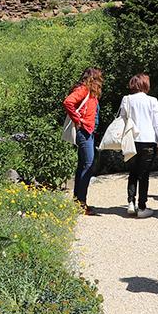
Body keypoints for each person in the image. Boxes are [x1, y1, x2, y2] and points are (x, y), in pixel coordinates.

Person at [119, 74, 158, 218]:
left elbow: (122, 119)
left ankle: (130, 202)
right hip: (148, 140)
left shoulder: (127, 99)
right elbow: (157, 123)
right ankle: (142, 207)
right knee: (144, 175)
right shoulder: (152, 101)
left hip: (131, 140)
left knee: (132, 172)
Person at [63, 66, 103, 215]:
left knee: (83, 165)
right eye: (99, 77)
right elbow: (68, 102)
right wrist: (77, 119)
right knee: (89, 165)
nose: (101, 80)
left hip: (89, 132)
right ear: (93, 78)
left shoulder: (91, 93)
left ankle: (78, 201)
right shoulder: (83, 90)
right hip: (85, 132)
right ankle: (81, 203)